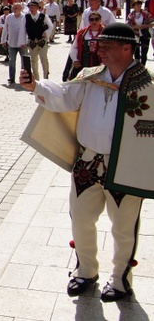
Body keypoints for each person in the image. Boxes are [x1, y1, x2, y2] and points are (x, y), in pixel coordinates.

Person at [19, 23, 152, 303]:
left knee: (123, 227)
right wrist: (36, 86)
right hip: (87, 163)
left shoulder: (149, 85)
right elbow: (65, 96)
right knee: (80, 219)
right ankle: (86, 271)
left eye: (106, 46)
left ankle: (120, 280)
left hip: (125, 167)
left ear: (126, 48)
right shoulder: (90, 77)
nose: (99, 50)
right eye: (98, 45)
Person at [66, 11, 105, 81]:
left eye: (96, 19)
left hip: (99, 63)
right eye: (91, 19)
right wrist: (75, 60)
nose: (94, 21)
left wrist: (104, 63)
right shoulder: (82, 33)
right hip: (83, 63)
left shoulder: (105, 33)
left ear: (100, 20)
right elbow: (74, 48)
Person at [25, 0, 54, 80]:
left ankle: (46, 76)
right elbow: (23, 30)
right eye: (30, 7)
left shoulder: (43, 16)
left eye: (33, 7)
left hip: (42, 41)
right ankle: (36, 79)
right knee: (33, 60)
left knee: (43, 58)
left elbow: (50, 26)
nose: (32, 9)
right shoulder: (26, 17)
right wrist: (23, 42)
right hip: (32, 42)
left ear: (37, 8)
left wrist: (46, 32)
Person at [1, 2, 28, 84]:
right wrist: (3, 40)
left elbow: (27, 31)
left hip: (22, 44)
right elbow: (5, 29)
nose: (15, 9)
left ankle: (25, 77)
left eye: (17, 8)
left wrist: (27, 42)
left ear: (21, 9)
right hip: (12, 43)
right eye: (14, 8)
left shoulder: (25, 17)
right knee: (11, 61)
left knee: (24, 61)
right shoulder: (9, 17)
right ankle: (11, 78)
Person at [126, 0, 153, 66]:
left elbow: (152, 23)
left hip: (145, 34)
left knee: (144, 51)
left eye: (140, 4)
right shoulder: (131, 15)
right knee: (136, 52)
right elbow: (128, 25)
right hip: (135, 35)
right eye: (137, 5)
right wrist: (135, 27)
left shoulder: (146, 14)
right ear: (133, 6)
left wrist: (144, 26)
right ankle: (137, 66)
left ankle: (143, 66)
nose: (138, 6)